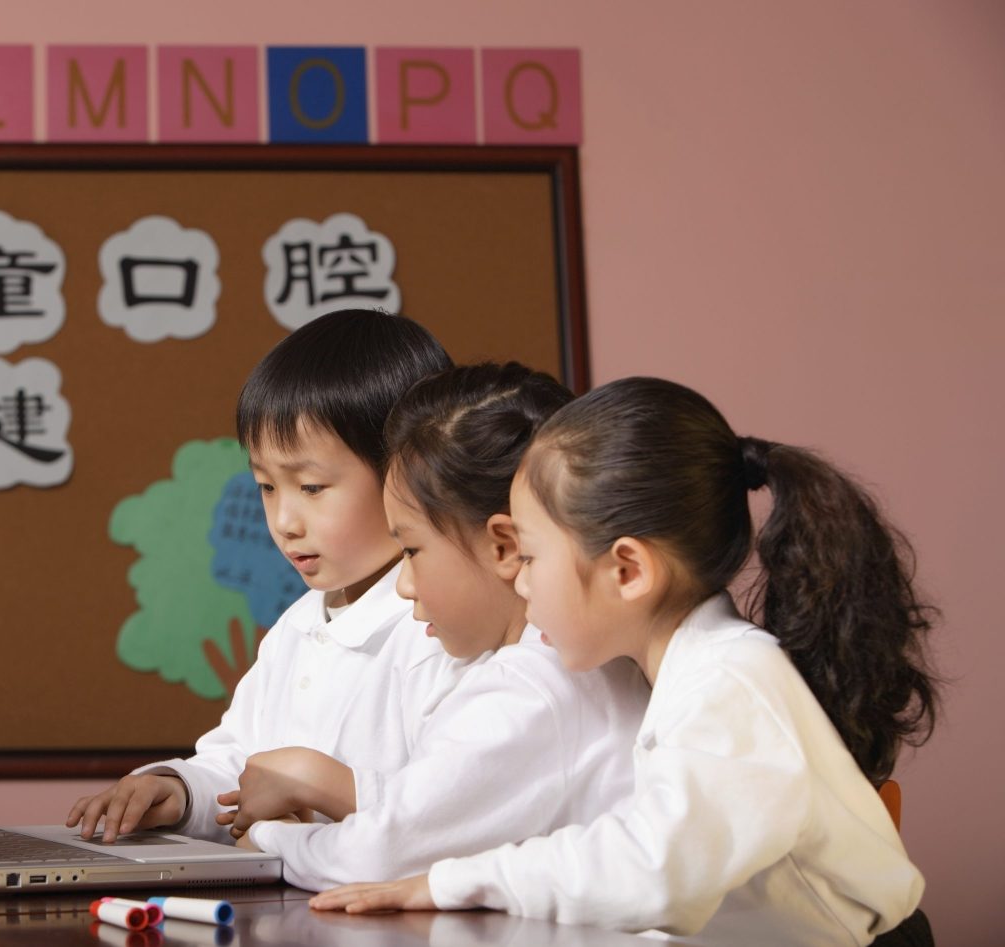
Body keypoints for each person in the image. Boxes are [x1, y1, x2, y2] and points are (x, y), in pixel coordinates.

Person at [312, 377, 937, 945]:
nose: (521, 585)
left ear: (628, 571)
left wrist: (450, 883)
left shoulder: (728, 682)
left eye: (530, 558)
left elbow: (652, 869)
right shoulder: (689, 671)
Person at [237, 363, 651, 891]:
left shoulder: (535, 685)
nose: (404, 585)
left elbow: (385, 851)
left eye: (411, 550)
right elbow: (438, 807)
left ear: (503, 545)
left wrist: (269, 842)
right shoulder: (545, 668)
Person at [66, 309, 461, 844]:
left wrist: (315, 796)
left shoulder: (445, 631)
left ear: (407, 472)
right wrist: (179, 792)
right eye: (266, 486)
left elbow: (451, 812)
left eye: (312, 487)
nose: (283, 522)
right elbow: (242, 765)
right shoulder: (298, 626)